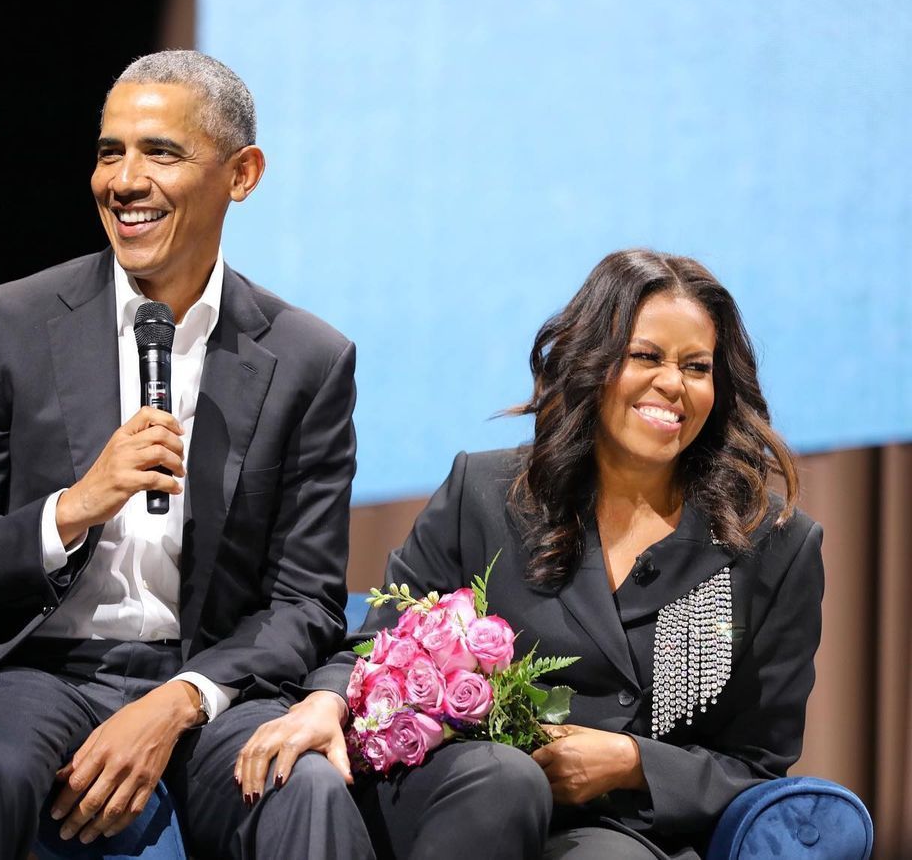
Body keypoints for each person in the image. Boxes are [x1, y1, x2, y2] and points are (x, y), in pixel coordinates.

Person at [0, 50, 356, 858]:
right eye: (111, 152)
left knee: (305, 787)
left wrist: (181, 697)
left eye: (160, 153)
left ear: (241, 175)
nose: (123, 180)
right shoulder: (7, 326)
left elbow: (307, 601)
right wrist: (71, 509)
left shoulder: (310, 359)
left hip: (214, 686)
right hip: (38, 670)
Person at [233, 248, 823, 859]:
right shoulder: (485, 493)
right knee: (502, 781)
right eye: (645, 356)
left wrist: (632, 762)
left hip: (618, 827)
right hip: (462, 789)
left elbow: (756, 761)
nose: (672, 384)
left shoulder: (776, 547)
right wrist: (324, 699)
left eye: (696, 367)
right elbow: (376, 643)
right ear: (591, 362)